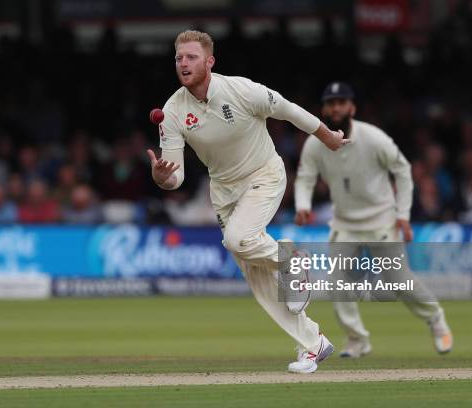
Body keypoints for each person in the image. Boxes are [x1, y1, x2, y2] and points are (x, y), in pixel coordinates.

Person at [147, 30, 349, 374]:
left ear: (210, 61)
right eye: (179, 57)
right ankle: (313, 344)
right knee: (260, 281)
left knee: (239, 240)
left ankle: (293, 261)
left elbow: (289, 110)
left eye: (192, 57)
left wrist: (327, 136)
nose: (184, 63)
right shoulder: (172, 111)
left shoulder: (240, 89)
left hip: (264, 175)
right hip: (224, 192)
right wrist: (163, 177)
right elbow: (175, 174)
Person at [294, 82, 453, 357]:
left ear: (352, 107)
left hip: (381, 221)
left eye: (341, 102)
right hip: (344, 224)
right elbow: (306, 175)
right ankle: (357, 340)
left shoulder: (373, 138)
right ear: (324, 108)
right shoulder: (315, 143)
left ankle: (436, 318)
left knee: (398, 281)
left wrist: (403, 214)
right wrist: (303, 205)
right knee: (337, 282)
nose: (336, 107)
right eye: (331, 103)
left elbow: (403, 170)